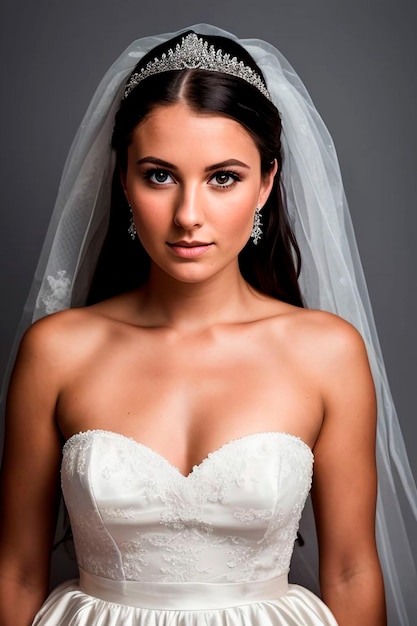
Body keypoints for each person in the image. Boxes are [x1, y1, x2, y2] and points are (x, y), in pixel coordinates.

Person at [0, 23, 415, 626]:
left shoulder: (327, 353)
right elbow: (15, 570)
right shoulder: (58, 352)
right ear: (123, 179)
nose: (188, 216)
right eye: (159, 175)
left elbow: (352, 571)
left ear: (267, 183)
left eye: (223, 177)